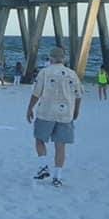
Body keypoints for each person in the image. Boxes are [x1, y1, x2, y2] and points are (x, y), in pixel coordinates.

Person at [26, 48, 81, 187]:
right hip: (65, 113)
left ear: (50, 58)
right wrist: (76, 111)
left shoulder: (45, 72)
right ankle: (57, 176)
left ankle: (43, 165)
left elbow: (36, 93)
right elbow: (78, 95)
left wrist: (30, 108)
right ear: (64, 59)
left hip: (46, 111)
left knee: (39, 139)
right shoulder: (72, 74)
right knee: (60, 146)